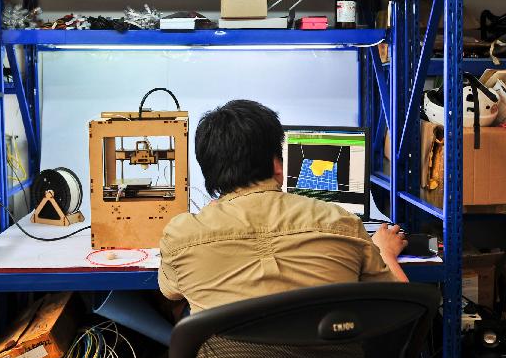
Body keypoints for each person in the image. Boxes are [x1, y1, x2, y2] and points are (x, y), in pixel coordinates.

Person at [159, 99, 408, 313]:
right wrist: (384, 253)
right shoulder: (341, 222)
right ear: (277, 165)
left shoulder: (182, 235)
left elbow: (170, 292)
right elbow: (399, 306)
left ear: (208, 171)